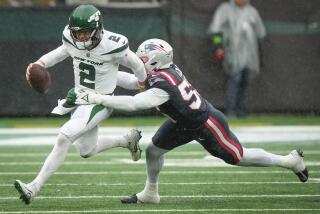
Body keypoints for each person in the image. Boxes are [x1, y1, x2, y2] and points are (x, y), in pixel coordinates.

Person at [75, 38, 309, 204]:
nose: (138, 60)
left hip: (205, 124)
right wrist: (104, 77)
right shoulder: (162, 71)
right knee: (154, 151)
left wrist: (98, 97)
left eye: (143, 58)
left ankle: (290, 161)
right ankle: (150, 193)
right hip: (182, 122)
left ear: (155, 61)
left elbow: (134, 103)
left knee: (239, 157)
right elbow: (134, 81)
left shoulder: (162, 84)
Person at [14, 4, 147, 205]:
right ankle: (126, 140)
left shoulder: (114, 44)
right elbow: (61, 52)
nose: (81, 37)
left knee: (63, 137)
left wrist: (143, 81)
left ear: (97, 28)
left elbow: (137, 64)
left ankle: (33, 187)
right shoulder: (71, 38)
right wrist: (39, 64)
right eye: (78, 33)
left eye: (85, 32)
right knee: (86, 150)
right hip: (81, 98)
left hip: (100, 101)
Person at [208, 0, 266, 117]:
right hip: (232, 53)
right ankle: (231, 110)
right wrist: (218, 47)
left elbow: (260, 34)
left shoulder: (252, 12)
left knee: (244, 82)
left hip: (250, 55)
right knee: (233, 81)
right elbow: (215, 32)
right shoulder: (225, 9)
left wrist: (261, 55)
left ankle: (240, 110)